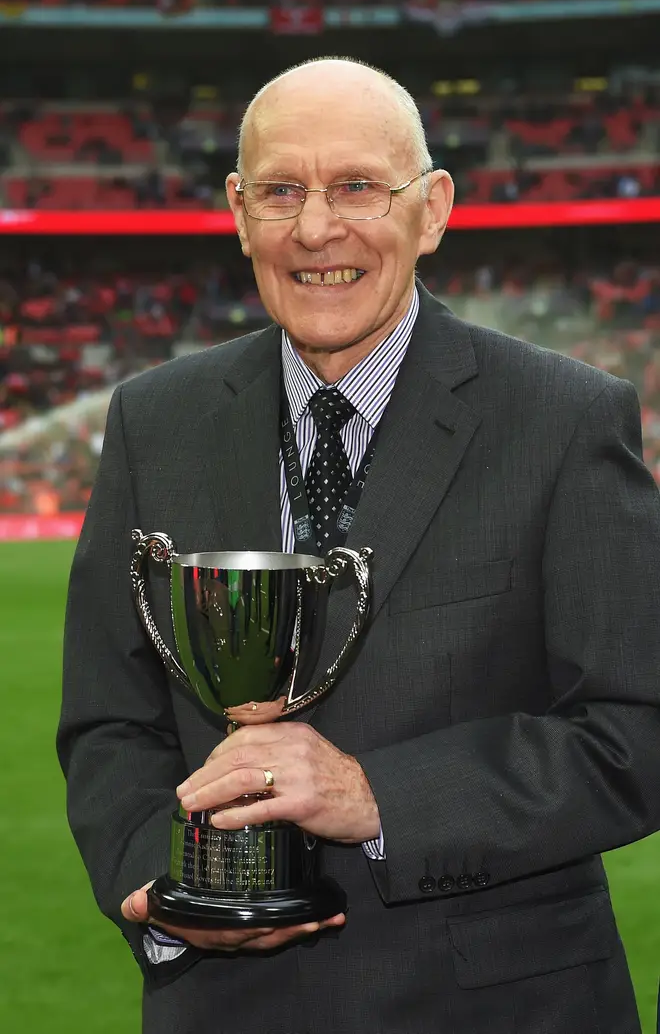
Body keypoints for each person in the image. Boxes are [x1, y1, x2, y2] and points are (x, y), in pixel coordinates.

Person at [57, 58, 660, 1034]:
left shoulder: (564, 417)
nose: (316, 229)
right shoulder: (150, 422)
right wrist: (163, 891)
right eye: (282, 190)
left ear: (432, 210)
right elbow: (109, 721)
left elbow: (638, 729)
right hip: (225, 1006)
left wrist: (380, 796)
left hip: (497, 1005)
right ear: (239, 210)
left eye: (357, 187)